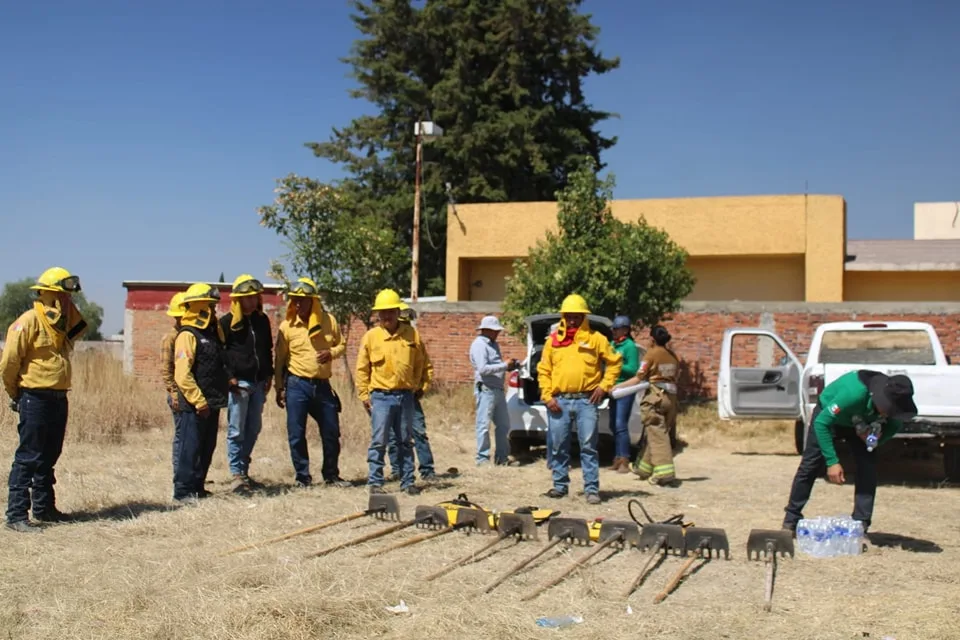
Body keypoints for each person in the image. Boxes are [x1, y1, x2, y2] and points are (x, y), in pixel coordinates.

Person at [1, 267, 87, 532]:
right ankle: (16, 515)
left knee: (49, 455)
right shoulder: (27, 322)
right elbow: (8, 363)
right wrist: (15, 394)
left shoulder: (60, 323)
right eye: (62, 296)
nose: (67, 301)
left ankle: (45, 509)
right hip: (34, 397)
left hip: (58, 396)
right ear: (50, 295)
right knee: (29, 456)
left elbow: (80, 329)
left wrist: (68, 305)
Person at [782, 370, 917, 535]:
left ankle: (861, 525)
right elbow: (821, 423)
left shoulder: (895, 415)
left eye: (893, 411)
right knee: (810, 465)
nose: (890, 414)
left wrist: (872, 440)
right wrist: (832, 461)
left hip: (860, 424)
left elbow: (889, 430)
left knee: (867, 468)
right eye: (889, 409)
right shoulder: (854, 393)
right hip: (829, 418)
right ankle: (791, 519)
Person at [537, 294, 621, 505]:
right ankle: (559, 486)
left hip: (587, 401)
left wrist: (604, 387)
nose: (573, 320)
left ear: (584, 317)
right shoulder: (553, 342)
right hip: (558, 401)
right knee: (558, 446)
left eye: (577, 316)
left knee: (588, 446)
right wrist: (547, 396)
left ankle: (591, 490)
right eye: (569, 316)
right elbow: (544, 370)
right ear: (564, 317)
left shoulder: (596, 339)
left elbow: (614, 362)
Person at [273, 277, 350, 488]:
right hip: (296, 385)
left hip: (323, 386)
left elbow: (342, 345)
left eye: (303, 300)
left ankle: (331, 475)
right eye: (295, 300)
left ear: (313, 302)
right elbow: (279, 360)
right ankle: (302, 477)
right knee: (296, 434)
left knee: (331, 431)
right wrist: (279, 388)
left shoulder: (329, 321)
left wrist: (331, 352)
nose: (298, 304)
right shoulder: (287, 326)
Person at [355, 289, 426, 496]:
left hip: (405, 396)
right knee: (379, 441)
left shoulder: (412, 335)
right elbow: (362, 368)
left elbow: (420, 363)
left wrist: (417, 386)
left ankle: (407, 481)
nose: (386, 316)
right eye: (382, 313)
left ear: (397, 311)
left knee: (405, 440)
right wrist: (364, 395)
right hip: (380, 396)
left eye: (390, 312)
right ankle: (375, 481)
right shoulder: (371, 337)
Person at [172, 282, 229, 504]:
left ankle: (198, 487)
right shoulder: (188, 335)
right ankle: (183, 491)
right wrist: (199, 401)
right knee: (191, 448)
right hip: (195, 404)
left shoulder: (213, 334)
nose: (214, 312)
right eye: (210, 307)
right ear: (198, 307)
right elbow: (182, 375)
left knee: (206, 447)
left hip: (212, 401)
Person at [220, 275, 274, 492]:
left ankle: (244, 470)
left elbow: (267, 350)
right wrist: (229, 377)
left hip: (258, 383)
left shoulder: (263, 321)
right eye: (247, 298)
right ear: (238, 300)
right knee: (236, 430)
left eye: (254, 297)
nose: (252, 302)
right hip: (239, 384)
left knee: (253, 428)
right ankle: (235, 474)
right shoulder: (226, 323)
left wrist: (269, 376)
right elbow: (220, 354)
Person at [615, 325, 680, 487]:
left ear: (652, 339)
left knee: (658, 435)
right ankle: (643, 468)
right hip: (671, 399)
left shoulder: (651, 354)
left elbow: (638, 378)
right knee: (655, 433)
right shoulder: (672, 356)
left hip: (655, 398)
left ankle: (664, 473)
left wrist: (618, 387)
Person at [387, 303, 437, 482]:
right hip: (389, 395)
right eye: (403, 322)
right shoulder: (385, 342)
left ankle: (427, 470)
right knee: (393, 435)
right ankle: (397, 470)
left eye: (408, 323)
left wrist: (422, 388)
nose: (405, 326)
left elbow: (427, 367)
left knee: (418, 433)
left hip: (411, 396)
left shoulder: (416, 341)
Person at [469, 315, 518, 466]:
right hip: (486, 389)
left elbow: (496, 365)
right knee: (483, 425)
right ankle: (482, 459)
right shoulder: (479, 345)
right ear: (486, 330)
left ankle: (501, 458)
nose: (497, 333)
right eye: (494, 330)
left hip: (497, 388)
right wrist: (504, 365)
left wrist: (512, 365)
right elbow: (483, 369)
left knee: (503, 425)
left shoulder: (493, 344)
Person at [608, 315, 639, 473]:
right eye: (613, 329)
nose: (613, 331)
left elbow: (633, 369)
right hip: (612, 388)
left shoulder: (629, 347)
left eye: (616, 329)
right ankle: (617, 457)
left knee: (620, 424)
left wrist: (616, 364)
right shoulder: (613, 344)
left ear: (625, 330)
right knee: (612, 424)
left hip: (624, 389)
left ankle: (625, 459)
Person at [161, 291, 185, 473]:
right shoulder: (171, 338)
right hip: (178, 393)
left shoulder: (191, 335)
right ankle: (179, 471)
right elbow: (167, 369)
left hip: (191, 392)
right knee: (181, 435)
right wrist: (174, 393)